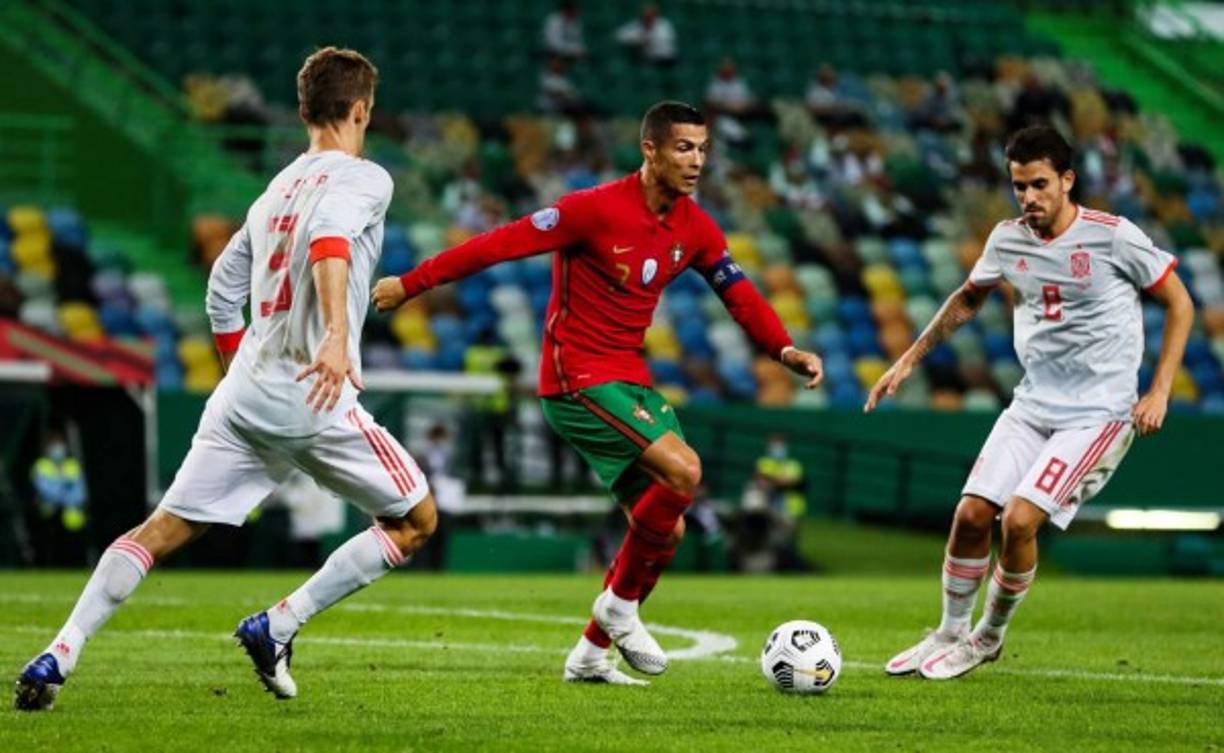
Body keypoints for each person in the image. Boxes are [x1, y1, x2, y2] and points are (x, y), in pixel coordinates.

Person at [15, 46, 438, 711]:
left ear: (303, 111)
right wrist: (334, 335)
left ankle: (59, 651)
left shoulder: (274, 192)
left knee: (160, 529)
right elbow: (330, 240)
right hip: (312, 393)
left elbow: (221, 289)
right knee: (415, 520)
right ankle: (280, 623)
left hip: (244, 394)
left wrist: (241, 366)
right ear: (361, 110)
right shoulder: (366, 179)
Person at [372, 101, 825, 685]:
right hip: (575, 377)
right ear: (650, 150)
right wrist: (412, 283)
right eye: (683, 148)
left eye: (702, 149)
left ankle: (589, 654)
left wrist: (783, 349)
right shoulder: (591, 209)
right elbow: (498, 244)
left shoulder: (696, 227)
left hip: (629, 378)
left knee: (667, 525)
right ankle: (618, 609)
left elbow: (739, 295)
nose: (696, 161)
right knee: (685, 472)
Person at [865, 124, 1193, 680]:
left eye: (1040, 184)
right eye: (1019, 186)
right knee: (971, 515)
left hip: (1098, 415)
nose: (1028, 197)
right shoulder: (1007, 239)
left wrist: (1159, 390)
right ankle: (948, 632)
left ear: (1067, 180)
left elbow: (1180, 303)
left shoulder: (1114, 236)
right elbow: (968, 298)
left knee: (1018, 521)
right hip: (1032, 405)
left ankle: (987, 638)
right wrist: (908, 360)